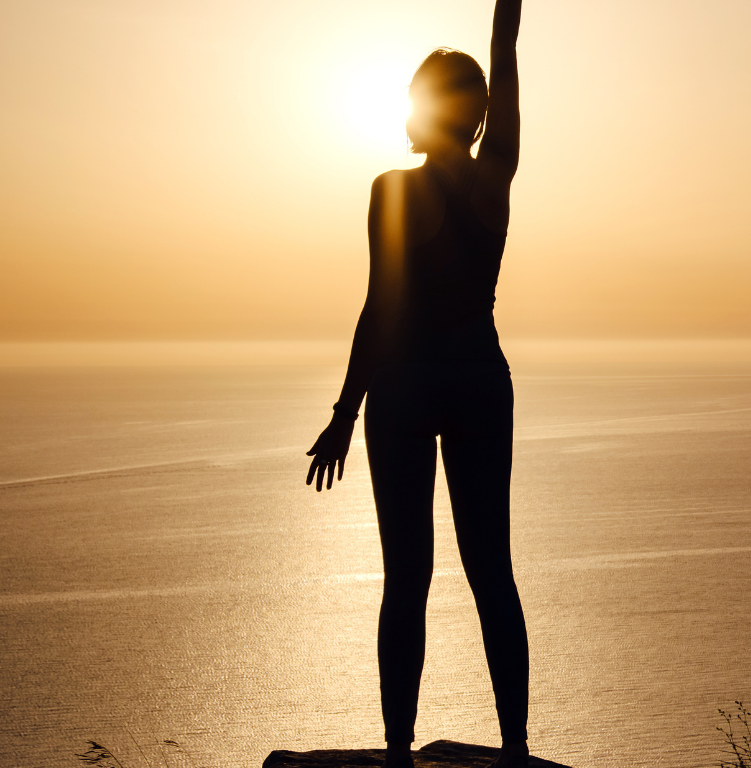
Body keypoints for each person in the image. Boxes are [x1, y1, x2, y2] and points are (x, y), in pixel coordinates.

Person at [304, 2, 528, 767]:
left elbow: (381, 307)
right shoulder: (495, 177)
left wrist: (345, 411)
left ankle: (399, 754)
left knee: (406, 578)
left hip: (403, 385)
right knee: (492, 572)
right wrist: (505, 15)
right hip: (479, 381)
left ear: (419, 107)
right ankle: (514, 749)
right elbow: (505, 51)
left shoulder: (391, 190)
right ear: (480, 114)